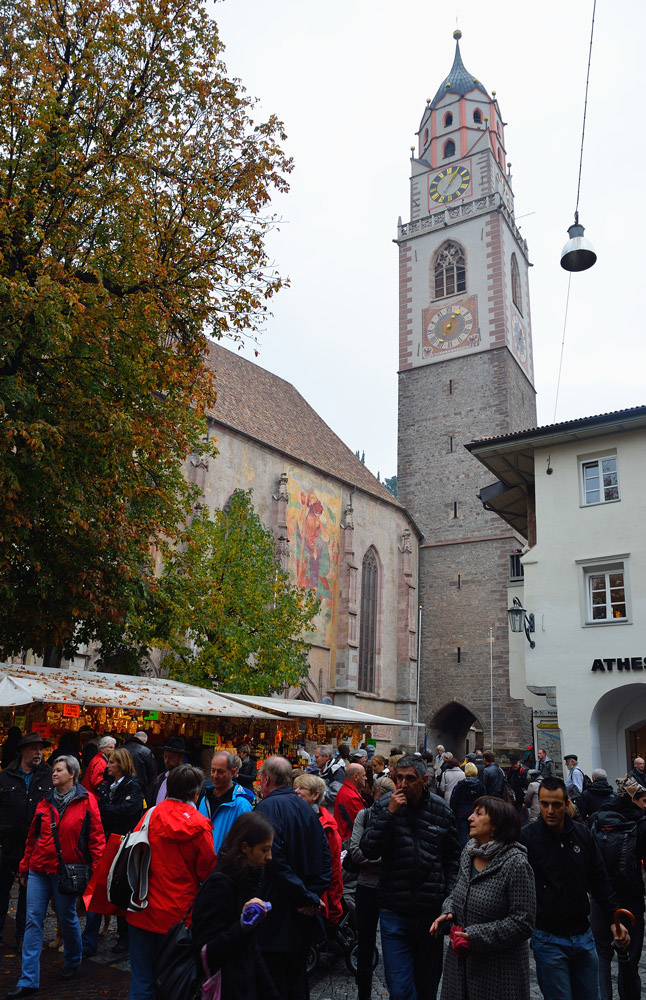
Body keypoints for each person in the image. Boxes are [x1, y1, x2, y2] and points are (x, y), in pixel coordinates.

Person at [360, 753, 461, 1000]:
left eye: (410, 779)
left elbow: (453, 859)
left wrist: (447, 899)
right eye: (399, 778)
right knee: (400, 989)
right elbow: (368, 849)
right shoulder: (385, 805)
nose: (403, 784)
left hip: (429, 913)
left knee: (427, 986)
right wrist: (389, 815)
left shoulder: (441, 809)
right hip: (395, 910)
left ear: (424, 780)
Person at [521, 776, 629, 1000]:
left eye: (556, 804)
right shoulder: (528, 837)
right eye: (544, 804)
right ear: (539, 803)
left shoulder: (582, 834)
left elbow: (599, 879)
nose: (550, 810)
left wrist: (613, 919)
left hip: (583, 935)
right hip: (548, 937)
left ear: (567, 803)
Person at [8, 755, 105, 998]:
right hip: (39, 868)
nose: (54, 773)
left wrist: (97, 869)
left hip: (68, 871)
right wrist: (24, 868)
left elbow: (96, 838)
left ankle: (73, 959)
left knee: (68, 916)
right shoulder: (44, 802)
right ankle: (28, 979)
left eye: (59, 770)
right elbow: (33, 837)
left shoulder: (87, 801)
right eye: (53, 770)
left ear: (72, 773)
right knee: (33, 920)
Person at [430, 796, 536, 1000]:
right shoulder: (468, 853)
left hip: (499, 973)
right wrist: (449, 911)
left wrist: (475, 936)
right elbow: (456, 893)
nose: (470, 818)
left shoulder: (516, 864)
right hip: (460, 968)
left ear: (496, 825)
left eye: (479, 814)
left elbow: (523, 922)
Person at [126, 764, 216, 1000]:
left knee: (142, 980)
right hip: (179, 915)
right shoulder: (200, 825)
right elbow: (207, 872)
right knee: (176, 982)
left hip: (142, 908)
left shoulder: (150, 815)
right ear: (196, 794)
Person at [254, 755, 331, 1000]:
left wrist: (306, 897)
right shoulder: (307, 809)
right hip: (300, 913)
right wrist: (310, 896)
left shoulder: (266, 807)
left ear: (265, 779)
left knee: (274, 983)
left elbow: (273, 860)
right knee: (296, 981)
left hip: (277, 912)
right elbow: (326, 861)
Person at [191, 812, 279, 1000]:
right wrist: (242, 926)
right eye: (265, 850)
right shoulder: (220, 886)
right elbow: (206, 951)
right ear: (245, 847)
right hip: (224, 988)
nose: (270, 857)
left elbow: (251, 949)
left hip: (241, 985)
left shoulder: (247, 879)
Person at [82, 748, 144, 958]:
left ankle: (124, 936)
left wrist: (106, 808)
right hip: (105, 842)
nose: (107, 766)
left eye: (112, 763)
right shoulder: (107, 786)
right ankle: (89, 939)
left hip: (122, 843)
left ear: (122, 764)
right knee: (98, 888)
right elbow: (103, 811)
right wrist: (108, 808)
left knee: (121, 889)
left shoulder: (133, 786)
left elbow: (123, 811)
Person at [589, 777, 646, 1000]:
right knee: (629, 957)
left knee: (602, 955)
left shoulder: (597, 819)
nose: (645, 805)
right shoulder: (640, 824)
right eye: (642, 800)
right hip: (630, 897)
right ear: (632, 799)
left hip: (600, 897)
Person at [0, 733, 52, 949]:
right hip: (6, 844)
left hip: (35, 846)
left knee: (28, 896)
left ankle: (23, 937)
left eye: (40, 749)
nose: (38, 753)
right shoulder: (5, 776)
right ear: (23, 750)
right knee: (1, 893)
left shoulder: (49, 776)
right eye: (33, 748)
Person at [349, 775, 395, 1000]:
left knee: (392, 941)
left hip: (387, 887)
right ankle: (363, 993)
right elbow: (356, 852)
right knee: (366, 942)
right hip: (369, 886)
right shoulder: (365, 815)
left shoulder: (399, 817)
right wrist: (386, 862)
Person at [293, 773, 343, 925]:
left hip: (317, 896)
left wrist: (334, 909)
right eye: (294, 787)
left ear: (315, 795)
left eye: (302, 788)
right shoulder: (292, 817)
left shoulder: (327, 829)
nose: (296, 791)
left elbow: (334, 869)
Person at [197, 751, 253, 853]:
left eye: (220, 772)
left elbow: (245, 847)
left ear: (233, 772)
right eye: (213, 771)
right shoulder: (204, 801)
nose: (215, 775)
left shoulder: (241, 806)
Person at [449, 762, 484, 847]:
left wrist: (452, 810)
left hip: (461, 812)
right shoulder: (480, 785)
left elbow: (454, 799)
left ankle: (464, 853)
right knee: (474, 835)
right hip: (474, 813)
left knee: (462, 835)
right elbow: (483, 800)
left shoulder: (461, 784)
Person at [334, 763, 367, 841]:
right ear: (355, 777)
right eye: (363, 775)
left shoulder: (346, 791)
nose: (365, 778)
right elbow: (361, 824)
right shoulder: (351, 797)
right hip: (349, 841)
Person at [122, 731, 157, 805]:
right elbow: (152, 775)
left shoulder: (119, 750)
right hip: (139, 792)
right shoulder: (146, 752)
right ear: (145, 741)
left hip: (120, 790)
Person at [152, 736, 185, 804]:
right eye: (165, 756)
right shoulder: (161, 778)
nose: (166, 760)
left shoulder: (185, 780)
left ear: (181, 758)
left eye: (171, 757)